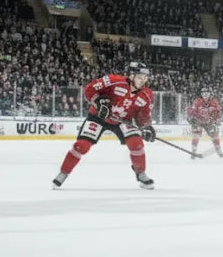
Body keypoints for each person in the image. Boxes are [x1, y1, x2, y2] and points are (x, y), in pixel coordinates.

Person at [52, 62, 158, 190]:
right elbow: (90, 89)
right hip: (98, 117)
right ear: (131, 76)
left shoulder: (147, 95)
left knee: (137, 144)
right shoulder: (113, 81)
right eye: (140, 76)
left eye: (145, 77)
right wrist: (98, 102)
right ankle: (63, 173)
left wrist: (146, 127)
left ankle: (140, 174)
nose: (143, 80)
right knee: (81, 146)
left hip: (123, 120)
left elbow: (144, 116)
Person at [187, 87, 223, 159]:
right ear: (201, 94)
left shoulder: (214, 102)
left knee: (215, 135)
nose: (205, 95)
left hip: (209, 121)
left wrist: (218, 119)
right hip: (198, 121)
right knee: (196, 135)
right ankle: (193, 151)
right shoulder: (197, 101)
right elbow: (191, 110)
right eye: (203, 93)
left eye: (207, 93)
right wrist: (190, 117)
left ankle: (218, 150)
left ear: (210, 94)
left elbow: (218, 112)